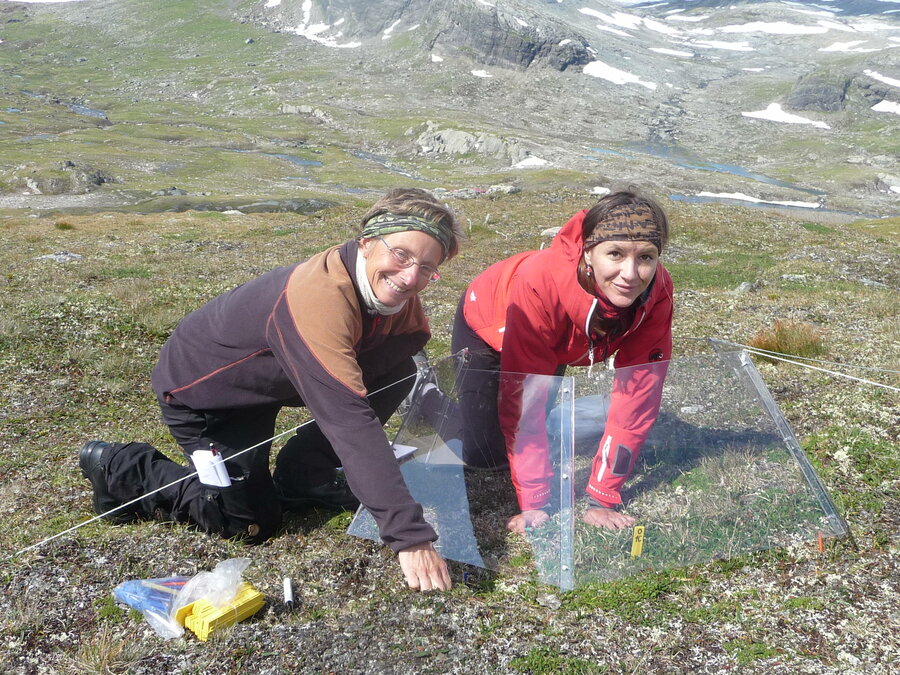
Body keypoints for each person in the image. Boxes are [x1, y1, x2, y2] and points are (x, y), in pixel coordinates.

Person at [79, 188, 463, 592]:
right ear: (366, 241)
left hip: (271, 379)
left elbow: (408, 345)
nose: (409, 277)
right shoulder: (320, 297)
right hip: (211, 396)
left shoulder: (392, 294)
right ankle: (123, 468)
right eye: (400, 254)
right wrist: (410, 535)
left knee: (396, 371)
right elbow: (351, 422)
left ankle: (304, 477)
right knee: (249, 523)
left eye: (426, 267)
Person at [450, 189, 673, 533]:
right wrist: (535, 501)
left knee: (538, 413)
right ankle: (435, 401)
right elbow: (524, 408)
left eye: (646, 257)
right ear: (588, 253)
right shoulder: (539, 284)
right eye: (615, 253)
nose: (630, 274)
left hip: (554, 344)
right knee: (485, 456)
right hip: (490, 321)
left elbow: (638, 399)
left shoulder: (657, 292)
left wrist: (603, 495)